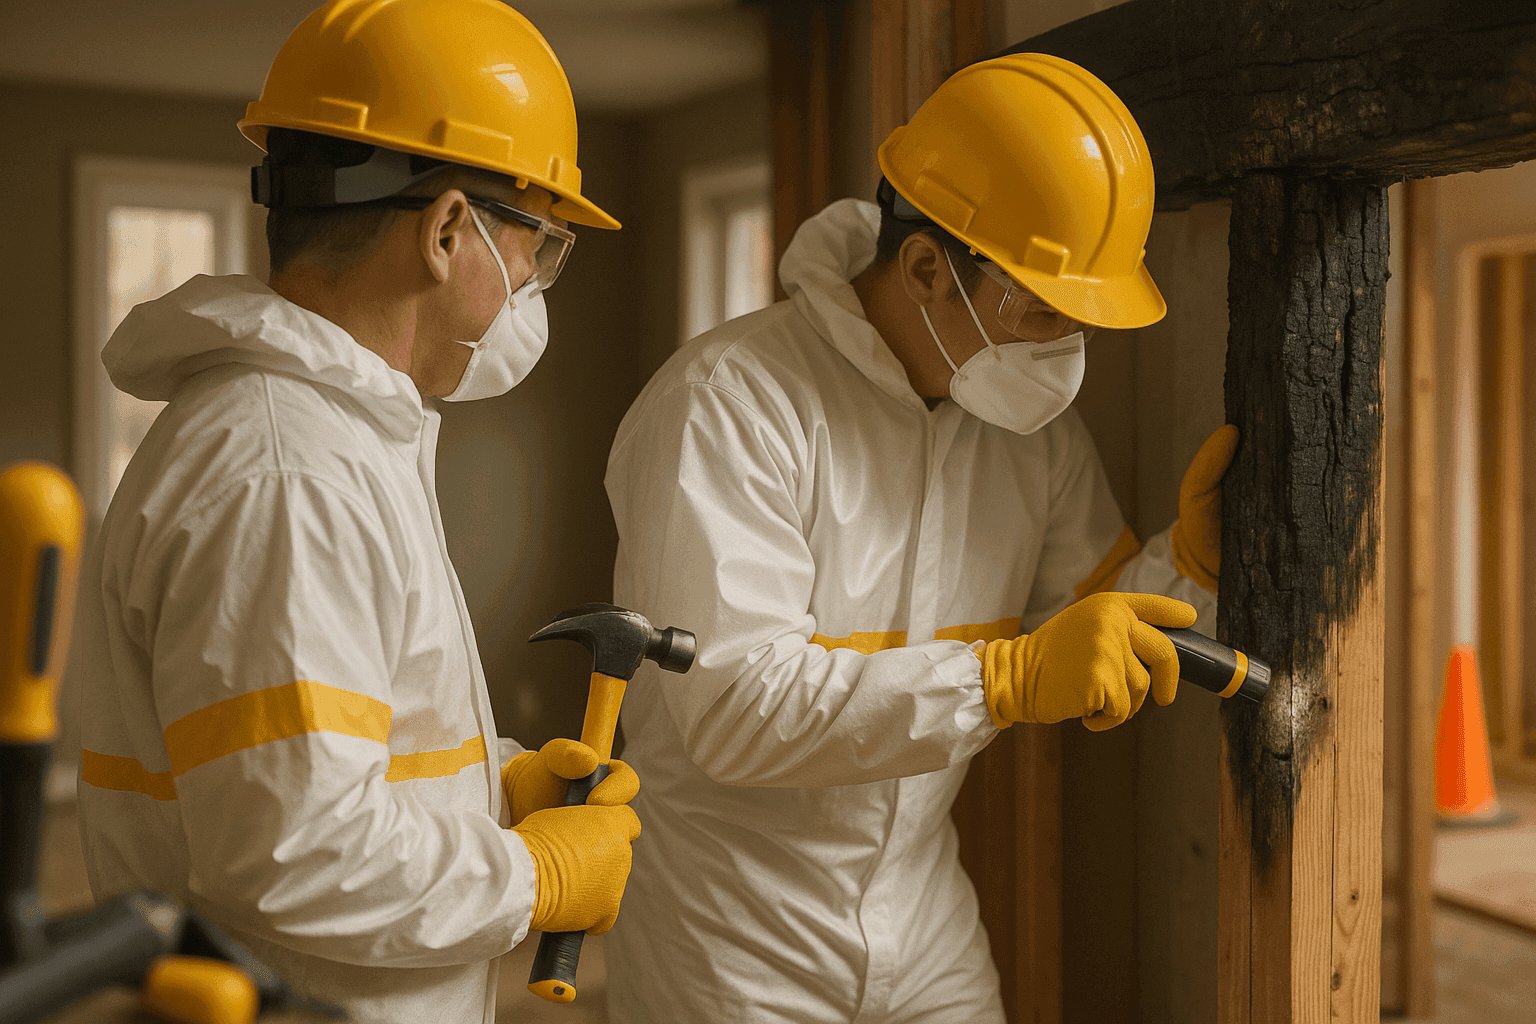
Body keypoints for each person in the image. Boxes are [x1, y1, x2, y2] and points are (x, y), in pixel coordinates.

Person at [602, 52, 1238, 1023]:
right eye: (1039, 310)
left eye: (1079, 322)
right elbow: (736, 711)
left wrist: (1184, 569)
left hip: (920, 910)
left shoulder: (1032, 439)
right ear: (928, 268)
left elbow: (1093, 628)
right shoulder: (729, 408)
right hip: (728, 933)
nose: (1061, 350)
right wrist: (1003, 681)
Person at [72, 2, 640, 1021]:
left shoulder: (330, 441)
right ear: (448, 229)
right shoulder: (287, 475)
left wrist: (493, 788)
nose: (532, 282)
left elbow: (316, 761)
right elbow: (294, 847)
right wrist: (530, 876)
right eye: (538, 246)